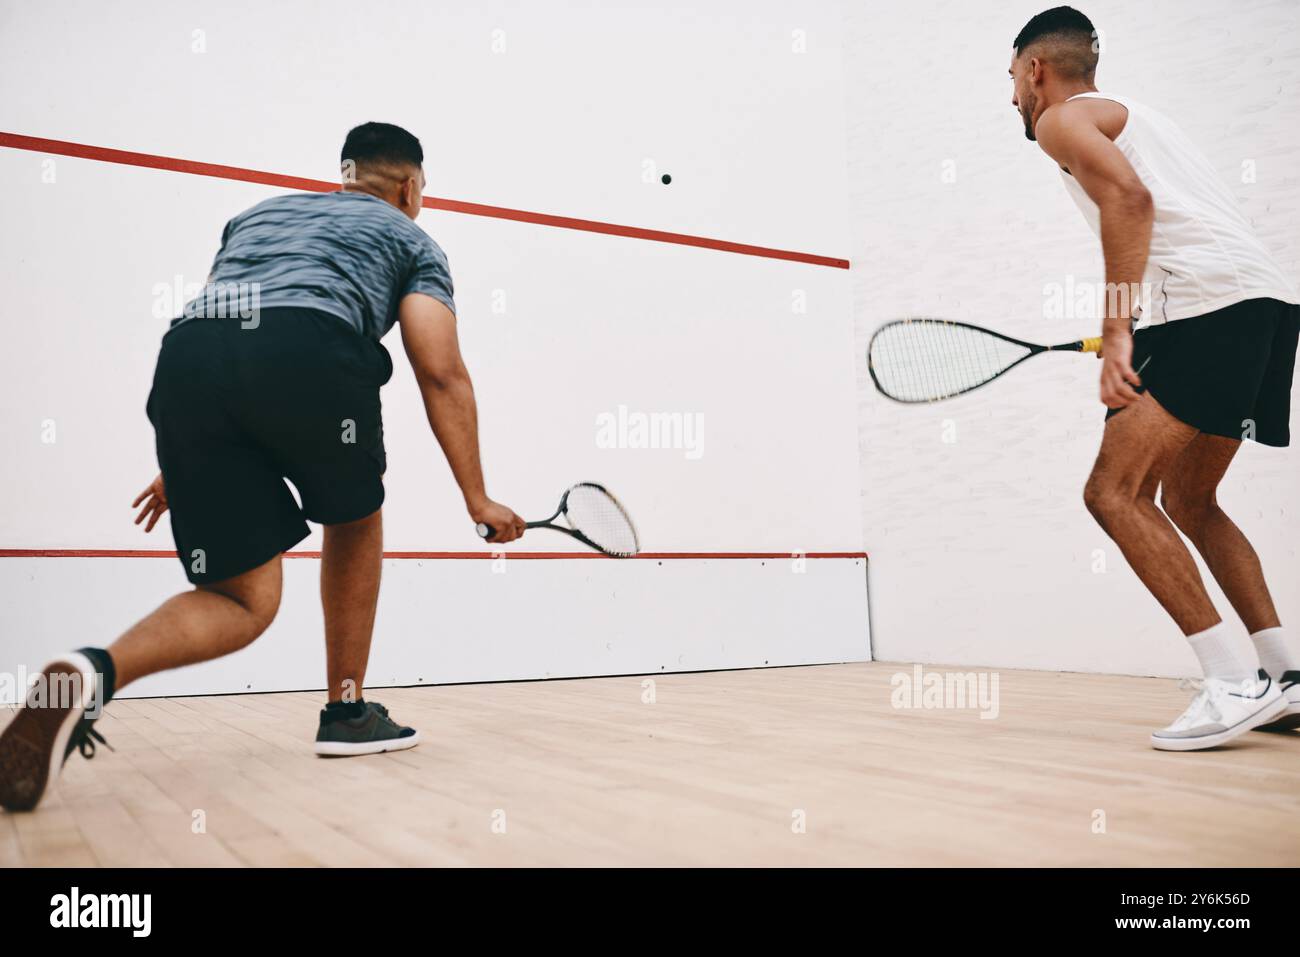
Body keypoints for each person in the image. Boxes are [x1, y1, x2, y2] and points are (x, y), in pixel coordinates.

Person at [0, 122, 525, 811]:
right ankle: (347, 711)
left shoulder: (255, 216)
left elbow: (230, 347)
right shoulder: (412, 239)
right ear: (408, 187)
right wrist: (477, 495)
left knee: (239, 597)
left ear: (346, 173)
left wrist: (188, 459)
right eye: (421, 191)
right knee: (355, 512)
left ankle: (91, 672)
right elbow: (441, 369)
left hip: (186, 366)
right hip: (312, 346)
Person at [1008, 7, 1300, 750]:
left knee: (1113, 492)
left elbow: (1129, 202)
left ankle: (1231, 682)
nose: (1011, 97)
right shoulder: (1137, 116)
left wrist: (1117, 330)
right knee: (1192, 499)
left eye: (1011, 78)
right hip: (1263, 306)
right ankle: (1285, 675)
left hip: (1209, 309)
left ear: (1036, 68)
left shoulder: (1060, 121)